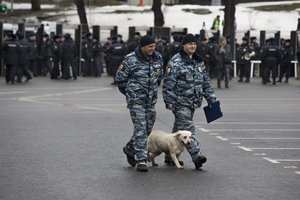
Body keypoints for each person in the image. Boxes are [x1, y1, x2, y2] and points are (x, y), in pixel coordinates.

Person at [162, 33, 217, 169]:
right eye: (190, 44)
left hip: (193, 102)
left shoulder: (198, 61)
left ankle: (169, 155)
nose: (193, 46)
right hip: (180, 103)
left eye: (194, 44)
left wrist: (211, 98)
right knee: (188, 129)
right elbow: (168, 83)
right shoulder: (175, 61)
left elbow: (205, 81)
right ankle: (196, 155)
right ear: (183, 46)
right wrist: (170, 102)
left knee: (179, 130)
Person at [115, 35, 164, 172]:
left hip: (150, 100)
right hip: (136, 101)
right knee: (141, 127)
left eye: (154, 46)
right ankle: (141, 159)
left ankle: (130, 148)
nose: (152, 49)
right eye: (149, 47)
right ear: (142, 47)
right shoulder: (130, 59)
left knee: (147, 128)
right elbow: (120, 79)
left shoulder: (157, 57)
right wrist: (131, 93)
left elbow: (159, 77)